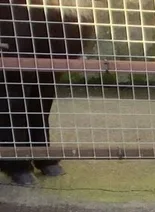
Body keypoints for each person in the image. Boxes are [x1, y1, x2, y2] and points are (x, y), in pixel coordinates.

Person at [1, 0, 93, 186]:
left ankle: (39, 150)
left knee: (45, 85)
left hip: (50, 17)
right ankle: (14, 158)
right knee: (13, 86)